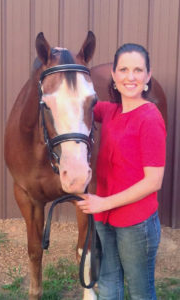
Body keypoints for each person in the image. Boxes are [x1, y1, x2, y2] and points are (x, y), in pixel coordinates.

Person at [77, 43, 166, 300]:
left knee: (140, 292)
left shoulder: (150, 118)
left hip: (135, 224)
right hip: (104, 218)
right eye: (124, 69)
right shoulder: (110, 111)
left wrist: (103, 202)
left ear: (148, 76)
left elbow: (154, 181)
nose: (130, 77)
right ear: (113, 75)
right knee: (108, 285)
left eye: (138, 70)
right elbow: (76, 106)